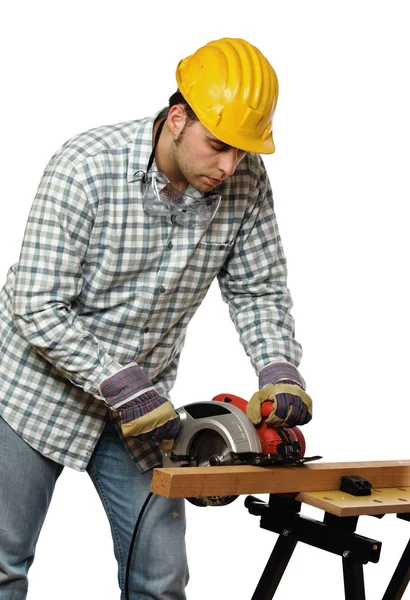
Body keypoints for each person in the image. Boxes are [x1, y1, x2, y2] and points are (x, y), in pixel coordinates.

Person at [0, 37, 312, 599]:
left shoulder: (244, 180)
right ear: (175, 118)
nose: (229, 166)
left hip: (144, 411)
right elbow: (36, 302)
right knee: (2, 564)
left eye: (242, 152)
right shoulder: (85, 167)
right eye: (218, 146)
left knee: (161, 580)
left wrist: (278, 367)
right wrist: (117, 381)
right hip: (34, 393)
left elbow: (258, 287)